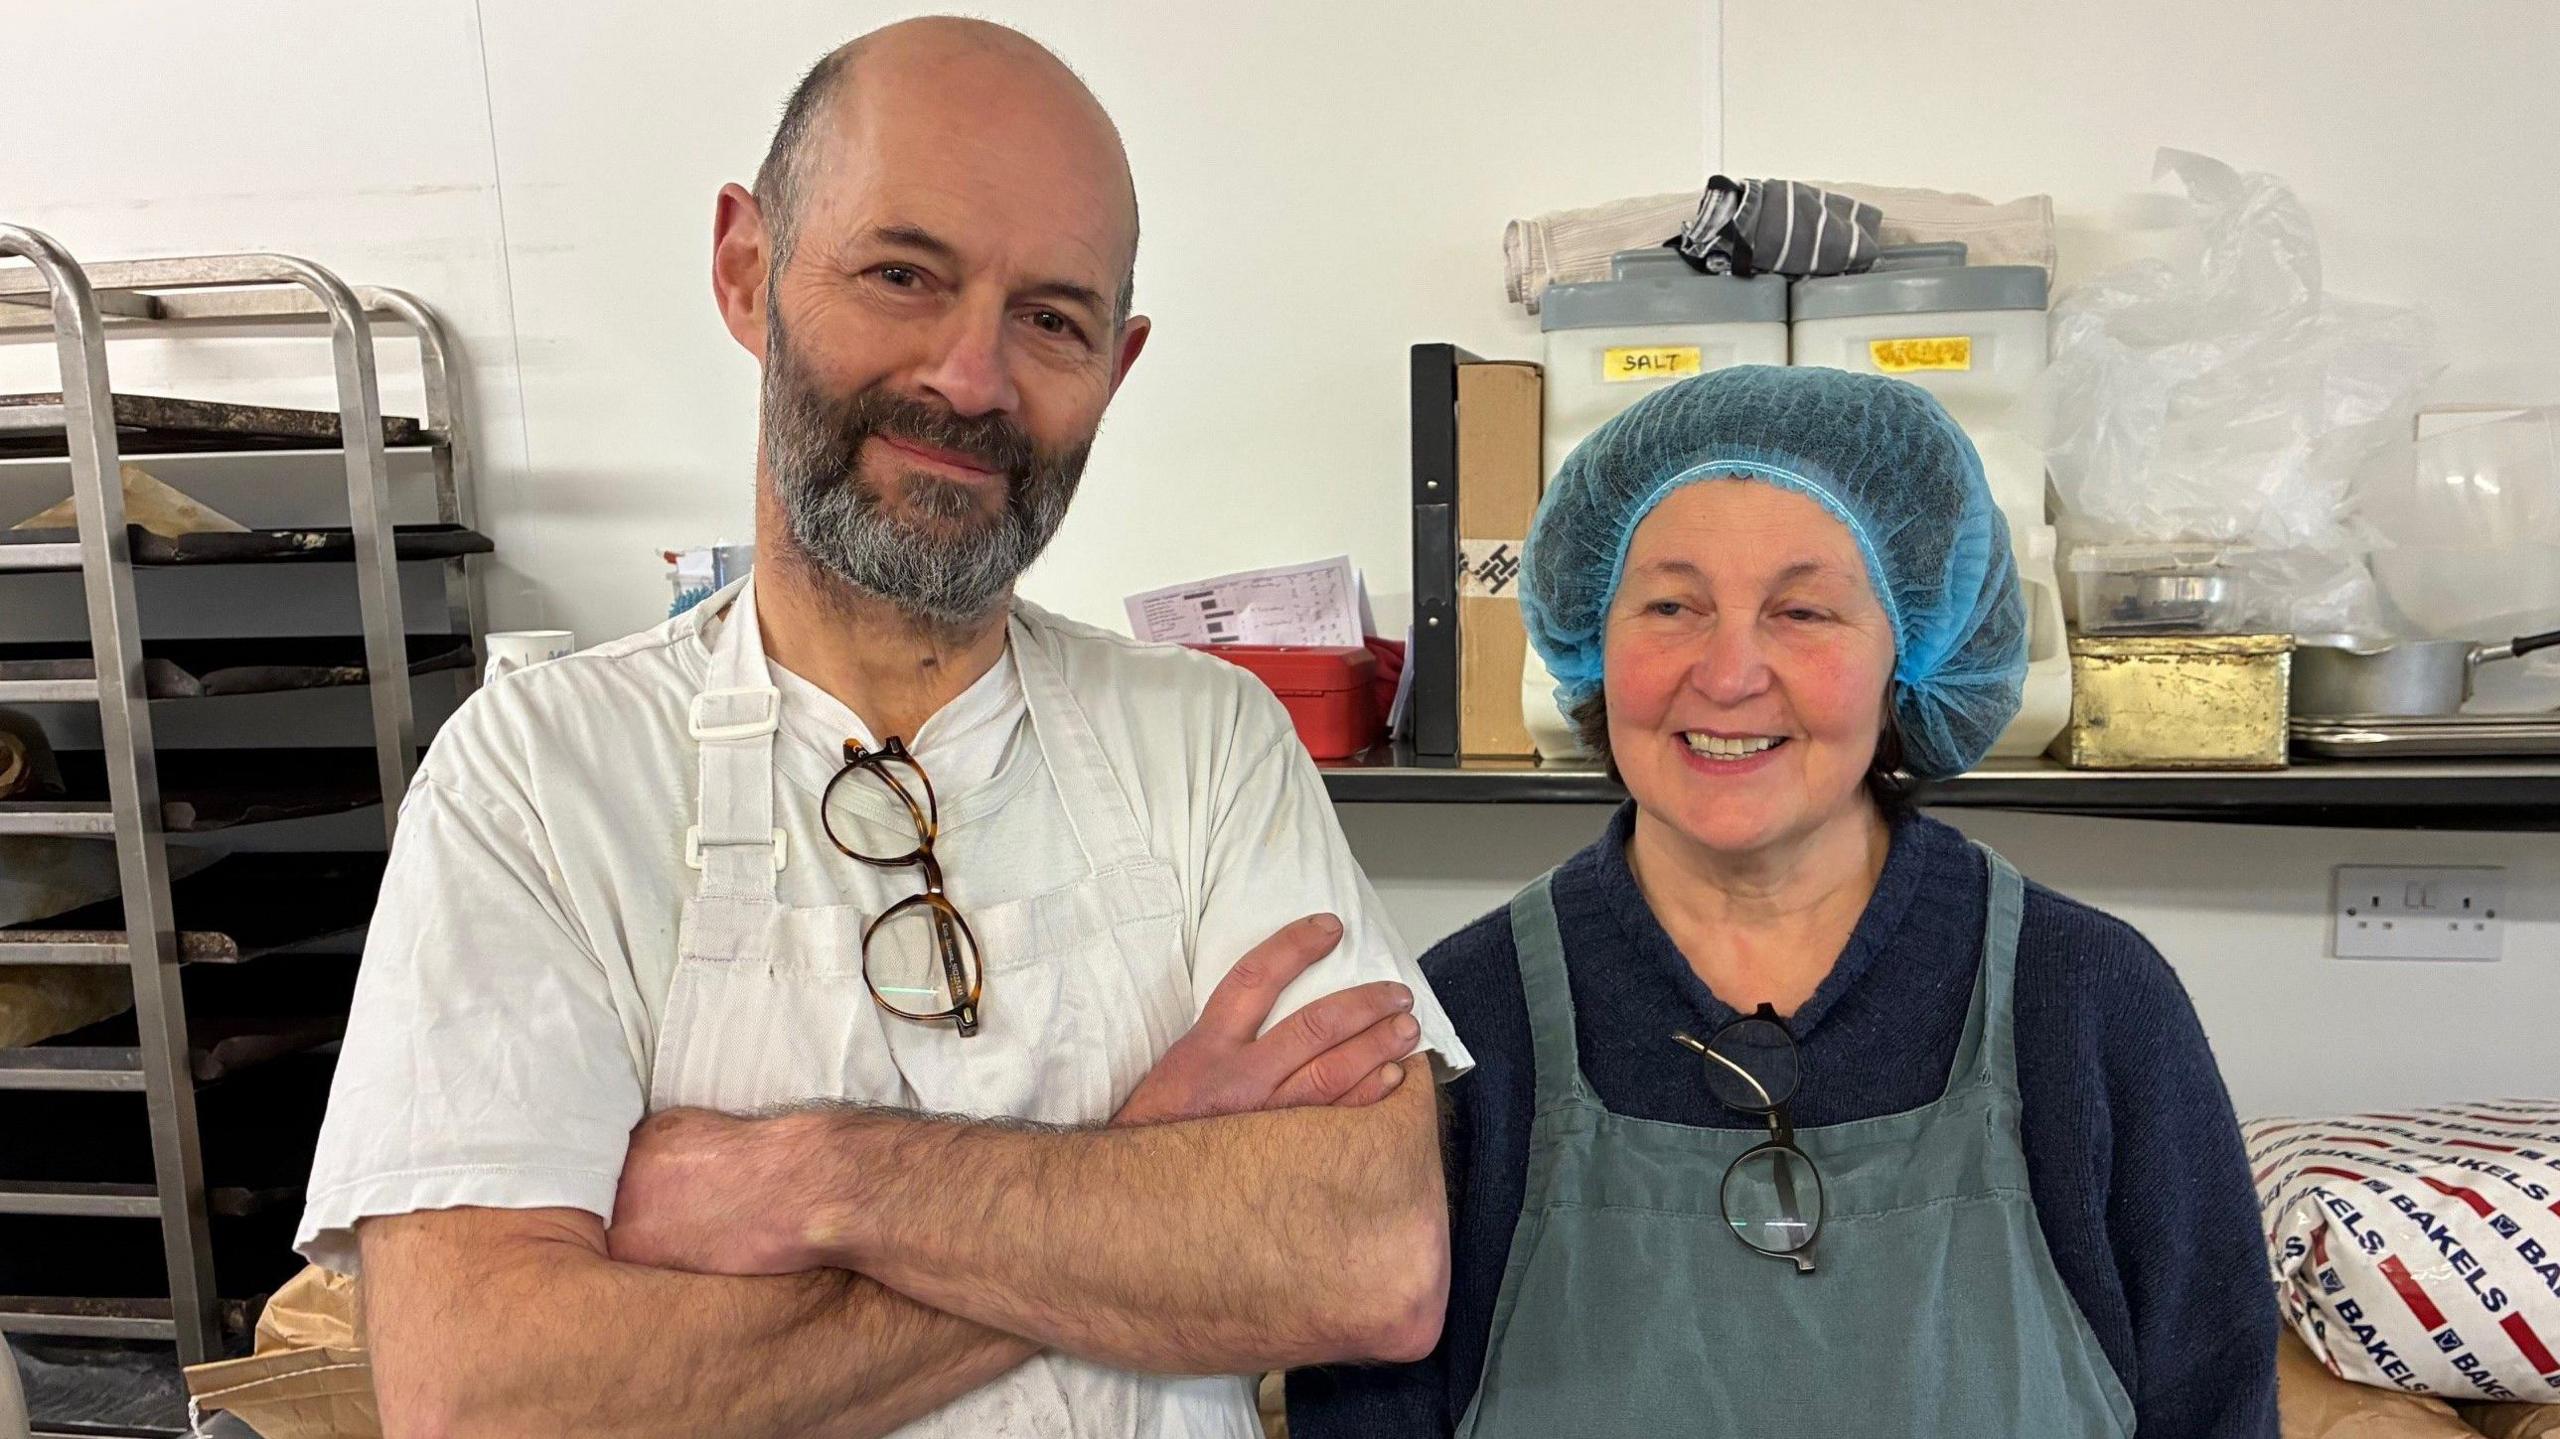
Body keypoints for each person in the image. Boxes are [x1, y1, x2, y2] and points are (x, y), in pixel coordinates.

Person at [293, 18, 1468, 1438]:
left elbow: (1371, 1255)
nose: (971, 379)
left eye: (1051, 316)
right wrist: (1140, 1180)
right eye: (903, 275)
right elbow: (491, 1395)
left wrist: (817, 1178)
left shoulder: (1211, 741)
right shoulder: (536, 778)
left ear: (1120, 361)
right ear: (747, 268)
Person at [1290, 365, 2277, 1436]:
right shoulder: (1458, 1022)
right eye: (1672, 604)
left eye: (1802, 610)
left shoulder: (2086, 1001)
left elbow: (2216, 1406)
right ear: (1591, 637)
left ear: (1913, 649)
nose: (1727, 673)